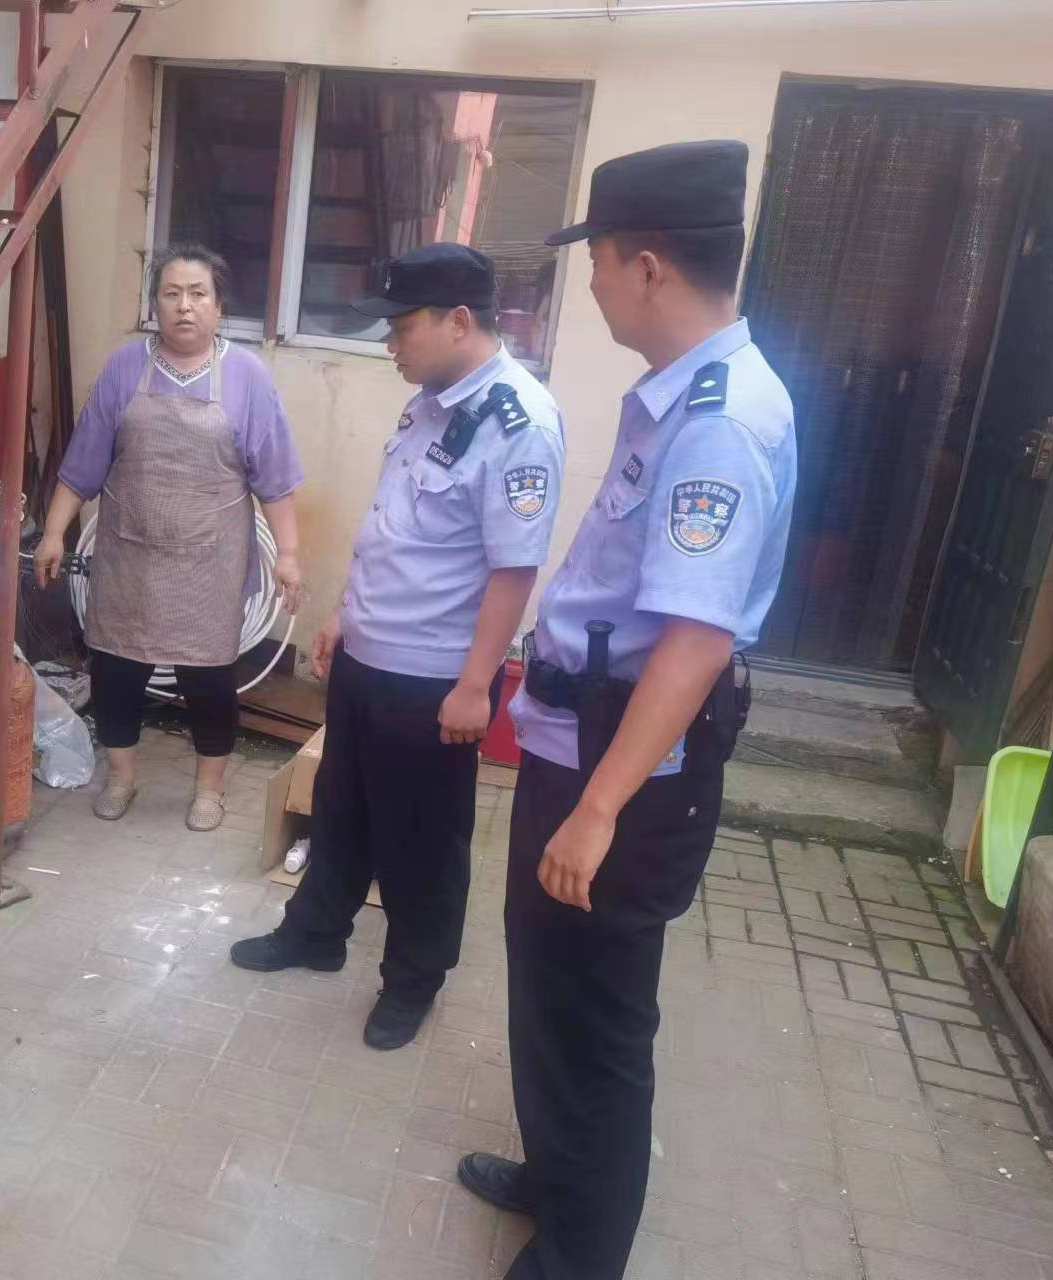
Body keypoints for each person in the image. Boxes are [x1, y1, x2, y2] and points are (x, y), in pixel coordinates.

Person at [457, 141, 798, 1280]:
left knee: (598, 1017)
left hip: (627, 770)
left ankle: (580, 1253)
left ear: (646, 265)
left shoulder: (718, 423)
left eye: (597, 260)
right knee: (548, 982)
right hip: (579, 740)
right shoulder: (678, 396)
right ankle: (555, 1174)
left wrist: (598, 809)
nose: (593, 282)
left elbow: (695, 641)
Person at [230, 243, 566, 1051]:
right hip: (368, 655)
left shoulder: (519, 423)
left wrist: (476, 687)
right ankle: (316, 932)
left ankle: (413, 980)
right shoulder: (430, 400)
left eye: (401, 327)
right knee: (341, 807)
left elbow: (513, 571)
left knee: (422, 841)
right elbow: (393, 525)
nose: (389, 344)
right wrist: (345, 612)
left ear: (459, 321)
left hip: (435, 680)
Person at [35, 245, 304, 832]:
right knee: (116, 671)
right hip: (128, 555)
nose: (185, 306)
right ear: (154, 303)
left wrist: (287, 555)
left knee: (208, 678)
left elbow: (275, 477)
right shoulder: (124, 368)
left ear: (219, 305)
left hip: (210, 561)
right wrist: (54, 531)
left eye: (198, 294)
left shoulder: (247, 376)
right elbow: (83, 462)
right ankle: (121, 778)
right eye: (172, 293)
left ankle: (209, 790)